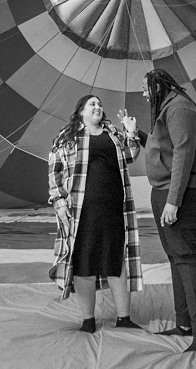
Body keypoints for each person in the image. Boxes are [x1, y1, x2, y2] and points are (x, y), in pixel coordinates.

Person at [47, 93, 144, 333]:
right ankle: (88, 320)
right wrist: (59, 202)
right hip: (82, 211)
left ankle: (124, 319)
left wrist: (131, 132)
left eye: (100, 104)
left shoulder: (113, 133)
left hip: (113, 208)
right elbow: (54, 170)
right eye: (92, 104)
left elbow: (131, 155)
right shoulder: (68, 138)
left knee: (116, 261)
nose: (98, 107)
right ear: (81, 111)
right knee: (84, 264)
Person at [141, 67, 196, 352]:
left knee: (185, 256)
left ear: (158, 87)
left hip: (177, 192)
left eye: (146, 89)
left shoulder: (179, 107)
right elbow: (166, 147)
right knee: (175, 257)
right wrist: (138, 136)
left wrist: (174, 200)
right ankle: (184, 323)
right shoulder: (168, 109)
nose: (145, 95)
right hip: (164, 189)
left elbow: (183, 153)